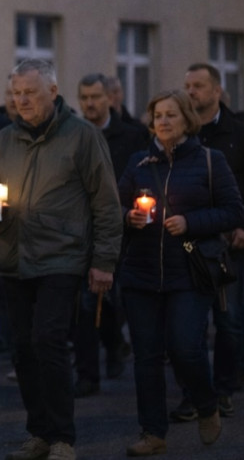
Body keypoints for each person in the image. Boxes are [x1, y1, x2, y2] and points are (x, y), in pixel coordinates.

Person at [0, 59, 122, 460]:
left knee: (49, 341)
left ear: (53, 93)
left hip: (62, 256)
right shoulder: (5, 139)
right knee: (22, 348)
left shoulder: (83, 136)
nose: (21, 100)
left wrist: (104, 261)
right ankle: (38, 432)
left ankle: (62, 437)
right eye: (16, 93)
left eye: (30, 92)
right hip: (13, 256)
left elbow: (106, 204)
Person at [115, 90, 241, 456]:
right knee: (147, 356)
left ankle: (206, 403)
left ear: (187, 119)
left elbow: (234, 211)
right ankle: (153, 432)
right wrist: (129, 216)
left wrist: (191, 222)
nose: (163, 121)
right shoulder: (139, 162)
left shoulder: (209, 160)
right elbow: (117, 205)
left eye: (171, 115)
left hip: (188, 270)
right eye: (157, 116)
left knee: (185, 347)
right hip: (141, 272)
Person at [176, 63, 244, 420]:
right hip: (190, 239)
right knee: (189, 325)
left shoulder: (240, 135)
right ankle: (194, 394)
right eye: (187, 85)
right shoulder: (182, 135)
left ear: (216, 90)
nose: (191, 92)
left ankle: (225, 388)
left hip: (231, 241)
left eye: (198, 85)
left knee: (228, 320)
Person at [71, 73, 148, 398]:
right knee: (84, 304)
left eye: (95, 97)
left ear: (110, 99)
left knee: (114, 299)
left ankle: (115, 344)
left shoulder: (131, 136)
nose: (89, 103)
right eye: (84, 97)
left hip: (125, 229)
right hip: (82, 229)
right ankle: (88, 373)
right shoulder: (72, 135)